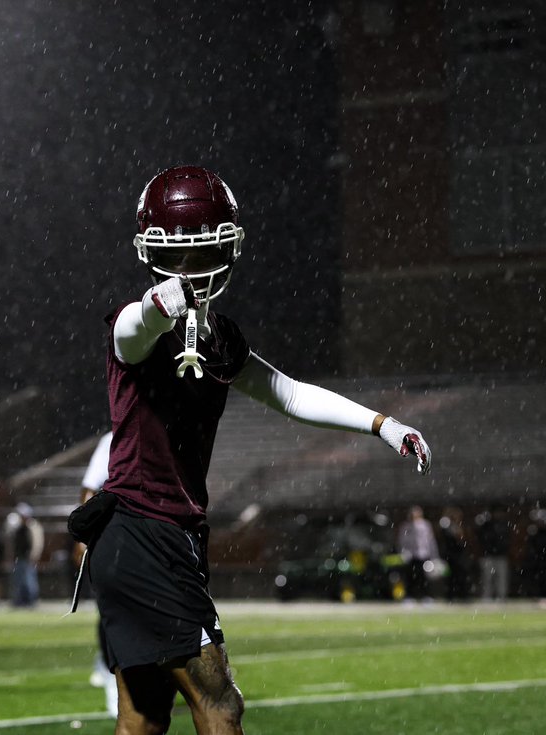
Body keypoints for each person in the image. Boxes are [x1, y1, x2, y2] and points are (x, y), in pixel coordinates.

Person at [86, 165, 432, 735]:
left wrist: (382, 424)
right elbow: (130, 331)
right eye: (189, 254)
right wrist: (158, 304)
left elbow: (287, 392)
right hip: (147, 532)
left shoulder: (219, 337)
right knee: (221, 703)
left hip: (136, 538)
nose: (196, 268)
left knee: (143, 719)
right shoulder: (137, 323)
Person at [74, 430, 119, 716]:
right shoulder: (114, 438)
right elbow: (90, 486)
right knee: (112, 610)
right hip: (119, 535)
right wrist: (84, 537)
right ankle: (111, 671)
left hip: (157, 535)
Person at [397, 506, 439, 604]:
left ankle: (426, 596)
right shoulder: (406, 526)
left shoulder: (425, 525)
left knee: (424, 577)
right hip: (411, 555)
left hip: (424, 554)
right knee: (410, 577)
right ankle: (409, 597)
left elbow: (430, 541)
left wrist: (434, 556)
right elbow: (402, 541)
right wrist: (403, 553)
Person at [7, 503, 43, 608]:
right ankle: (20, 601)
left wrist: (34, 555)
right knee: (19, 580)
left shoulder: (33, 527)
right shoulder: (18, 527)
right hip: (19, 557)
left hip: (28, 558)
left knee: (29, 580)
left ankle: (31, 600)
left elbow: (37, 543)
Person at [474, 504, 511, 602]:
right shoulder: (486, 525)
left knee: (501, 578)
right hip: (488, 555)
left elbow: (507, 540)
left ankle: (501, 597)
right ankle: (487, 597)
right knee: (487, 578)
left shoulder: (504, 525)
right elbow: (480, 537)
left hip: (501, 555)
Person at [437, 507, 471, 602]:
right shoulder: (447, 527)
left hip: (459, 556)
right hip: (450, 556)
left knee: (461, 576)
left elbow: (463, 540)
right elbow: (449, 539)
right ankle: (450, 596)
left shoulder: (458, 526)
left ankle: (463, 595)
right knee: (451, 577)